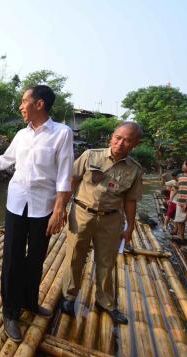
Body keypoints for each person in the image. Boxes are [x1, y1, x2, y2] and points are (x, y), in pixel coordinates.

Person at [0, 85, 74, 342]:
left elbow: (65, 175)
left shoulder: (61, 134)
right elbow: (3, 162)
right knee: (12, 258)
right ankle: (10, 312)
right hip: (16, 204)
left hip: (43, 207)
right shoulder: (21, 135)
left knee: (36, 258)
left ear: (39, 104)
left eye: (24, 101)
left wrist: (59, 209)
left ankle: (30, 302)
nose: (21, 106)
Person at [61, 121, 144, 325]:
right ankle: (69, 297)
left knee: (107, 261)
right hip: (81, 212)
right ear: (111, 137)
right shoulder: (91, 155)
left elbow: (130, 200)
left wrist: (130, 227)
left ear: (135, 144)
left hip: (111, 219)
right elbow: (71, 179)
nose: (120, 143)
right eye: (118, 138)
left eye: (127, 140)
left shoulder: (135, 169)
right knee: (75, 256)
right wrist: (61, 207)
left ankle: (105, 302)